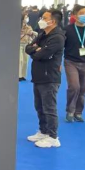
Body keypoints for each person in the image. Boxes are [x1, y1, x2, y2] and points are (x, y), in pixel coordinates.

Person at [25, 9, 65, 148]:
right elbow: (28, 48)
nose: (41, 20)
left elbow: (40, 55)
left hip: (50, 77)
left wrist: (37, 50)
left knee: (49, 108)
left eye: (44, 18)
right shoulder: (42, 34)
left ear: (52, 21)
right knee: (39, 107)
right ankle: (43, 131)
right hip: (38, 75)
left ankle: (53, 137)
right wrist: (35, 49)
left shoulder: (57, 37)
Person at [19, 12, 36, 81]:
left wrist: (32, 33)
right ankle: (18, 75)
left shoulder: (29, 27)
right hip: (19, 45)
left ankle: (23, 75)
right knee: (20, 60)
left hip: (27, 45)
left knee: (25, 61)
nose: (27, 18)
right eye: (26, 17)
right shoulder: (18, 26)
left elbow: (33, 35)